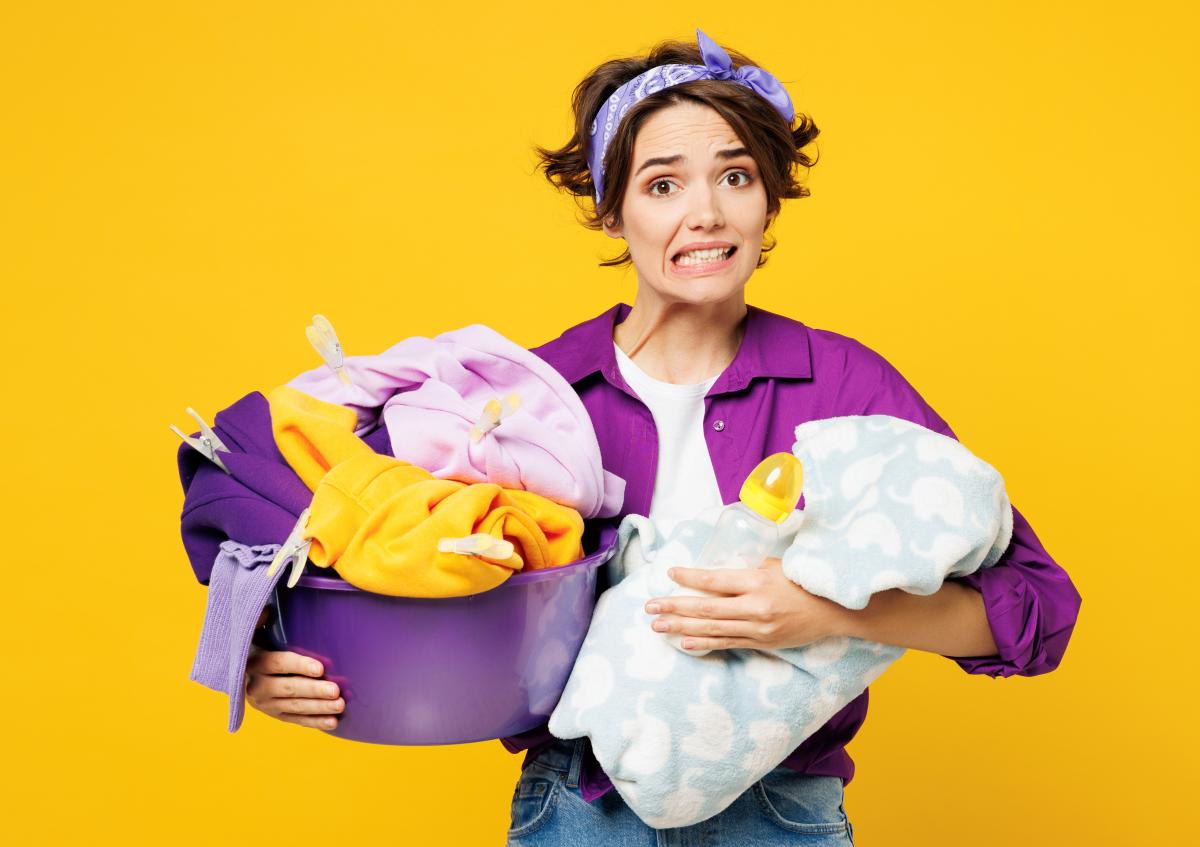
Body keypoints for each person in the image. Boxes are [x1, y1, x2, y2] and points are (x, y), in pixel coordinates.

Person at [243, 29, 1082, 845]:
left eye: (736, 175)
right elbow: (364, 533)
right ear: (611, 211)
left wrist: (817, 612)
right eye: (662, 185)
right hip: (576, 812)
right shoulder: (521, 397)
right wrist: (277, 661)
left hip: (781, 816)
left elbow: (1039, 610)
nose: (706, 215)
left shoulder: (844, 387)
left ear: (768, 198)